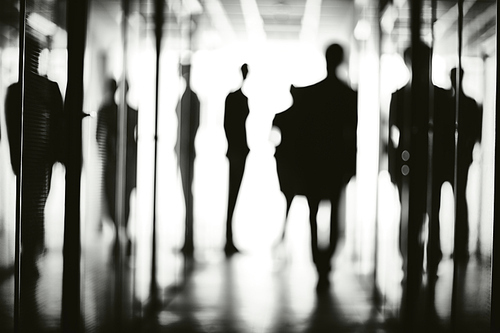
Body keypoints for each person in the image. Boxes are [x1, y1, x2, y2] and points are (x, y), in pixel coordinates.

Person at [272, 44, 357, 289]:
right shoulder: (347, 95)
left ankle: (318, 261)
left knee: (312, 213)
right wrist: (350, 167)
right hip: (335, 165)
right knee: (332, 214)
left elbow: (301, 135)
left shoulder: (312, 93)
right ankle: (325, 260)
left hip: (313, 166)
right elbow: (350, 136)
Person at [388, 41, 454, 324]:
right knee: (420, 215)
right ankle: (418, 260)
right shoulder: (436, 96)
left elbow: (395, 135)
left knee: (422, 215)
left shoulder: (404, 95)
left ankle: (420, 260)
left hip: (422, 165)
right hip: (416, 166)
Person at [4, 33, 65, 267]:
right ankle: (30, 249)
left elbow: (58, 125)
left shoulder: (41, 89)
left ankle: (31, 248)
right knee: (32, 203)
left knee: (34, 202)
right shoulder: (26, 90)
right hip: (33, 158)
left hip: (38, 158)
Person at [96, 78, 138, 255]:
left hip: (122, 164)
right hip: (115, 164)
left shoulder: (126, 112)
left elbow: (100, 138)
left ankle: (122, 234)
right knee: (115, 199)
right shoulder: (112, 111)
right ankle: (120, 234)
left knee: (121, 199)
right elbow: (100, 138)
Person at [451, 67, 482, 261]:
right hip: (461, 159)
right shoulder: (470, 103)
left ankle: (458, 245)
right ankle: (461, 246)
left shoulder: (448, 102)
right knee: (460, 201)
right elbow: (475, 134)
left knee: (457, 201)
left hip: (454, 159)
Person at [223, 63, 250, 256]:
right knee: (232, 194)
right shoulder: (235, 98)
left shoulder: (239, 98)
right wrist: (235, 147)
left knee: (234, 194)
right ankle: (228, 238)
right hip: (237, 151)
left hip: (239, 150)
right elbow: (229, 126)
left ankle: (229, 237)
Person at [175, 64, 200, 256]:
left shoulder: (191, 98)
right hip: (183, 149)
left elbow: (191, 126)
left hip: (186, 150)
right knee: (185, 193)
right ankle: (187, 236)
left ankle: (189, 237)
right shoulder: (187, 96)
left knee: (186, 194)